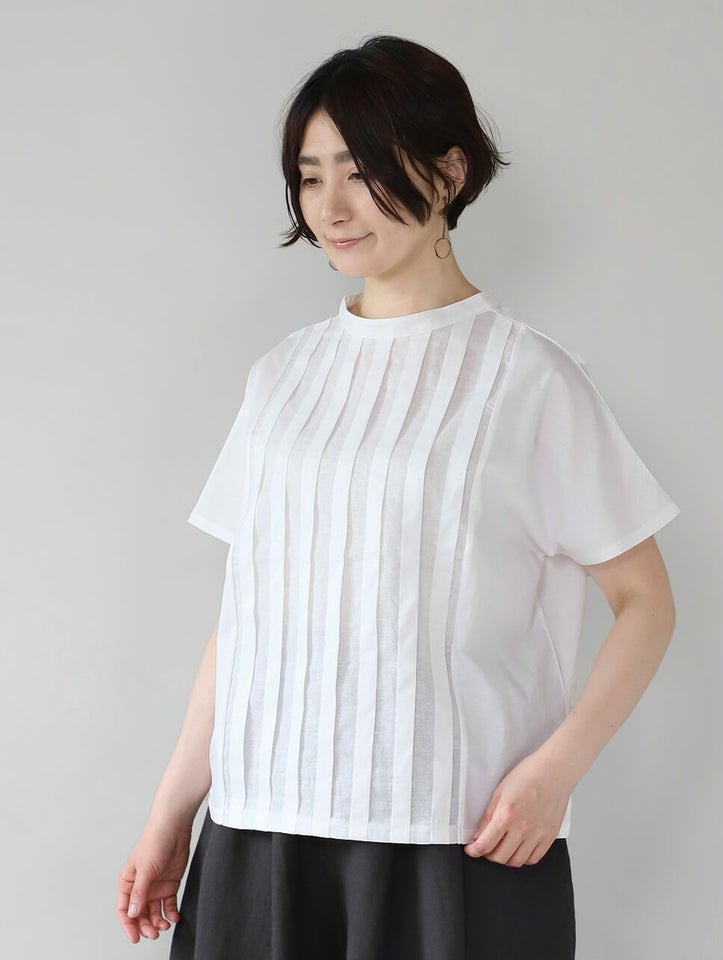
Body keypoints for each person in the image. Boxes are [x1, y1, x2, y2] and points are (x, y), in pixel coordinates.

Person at [116, 34, 680, 960]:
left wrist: (556, 774)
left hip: (451, 837)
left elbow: (646, 602)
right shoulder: (282, 378)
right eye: (310, 177)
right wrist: (172, 810)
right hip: (259, 833)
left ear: (449, 172)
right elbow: (249, 614)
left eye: (361, 171)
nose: (330, 207)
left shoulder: (530, 378)